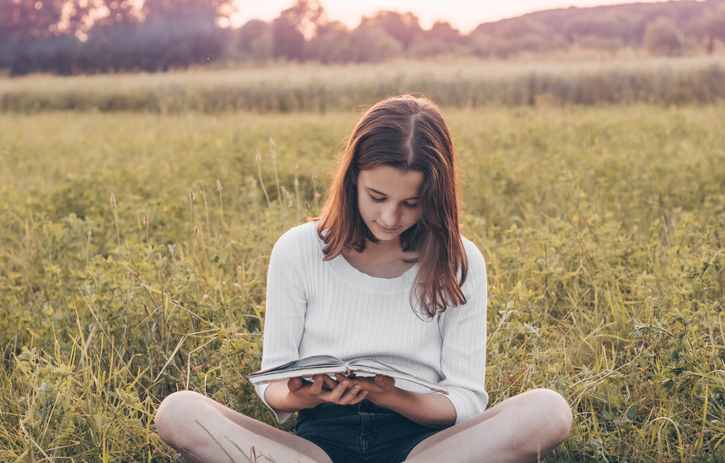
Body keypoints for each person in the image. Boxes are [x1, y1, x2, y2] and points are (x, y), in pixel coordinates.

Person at [155, 95, 572, 462]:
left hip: (426, 448)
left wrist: (390, 395)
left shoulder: (459, 261)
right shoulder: (298, 250)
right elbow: (274, 385)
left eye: (411, 203)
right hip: (318, 447)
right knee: (178, 411)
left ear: (435, 196)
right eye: (377, 197)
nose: (391, 218)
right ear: (353, 176)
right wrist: (306, 394)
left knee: (549, 411)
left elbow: (465, 400)